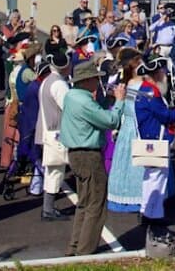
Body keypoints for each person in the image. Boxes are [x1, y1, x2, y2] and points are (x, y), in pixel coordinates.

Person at [60, 61, 127, 257]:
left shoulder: (72, 96)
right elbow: (110, 121)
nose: (99, 82)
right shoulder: (84, 101)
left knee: (84, 202)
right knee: (96, 203)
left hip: (76, 153)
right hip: (88, 154)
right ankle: (85, 250)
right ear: (87, 80)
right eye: (95, 78)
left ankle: (75, 246)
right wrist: (120, 101)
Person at [135, 55, 175, 256]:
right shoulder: (152, 92)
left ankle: (148, 212)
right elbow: (165, 115)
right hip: (155, 141)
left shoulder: (144, 90)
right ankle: (153, 216)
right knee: (157, 180)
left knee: (150, 179)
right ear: (156, 74)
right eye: (162, 72)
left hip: (149, 139)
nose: (165, 76)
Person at [107, 48, 148, 213]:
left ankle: (127, 194)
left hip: (128, 127)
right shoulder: (138, 84)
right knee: (138, 163)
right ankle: (139, 197)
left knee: (126, 161)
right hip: (137, 127)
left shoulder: (124, 82)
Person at [36, 52, 72, 220]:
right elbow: (69, 107)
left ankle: (48, 208)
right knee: (56, 170)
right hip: (56, 132)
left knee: (53, 171)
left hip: (47, 131)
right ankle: (48, 210)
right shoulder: (58, 84)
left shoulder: (46, 81)